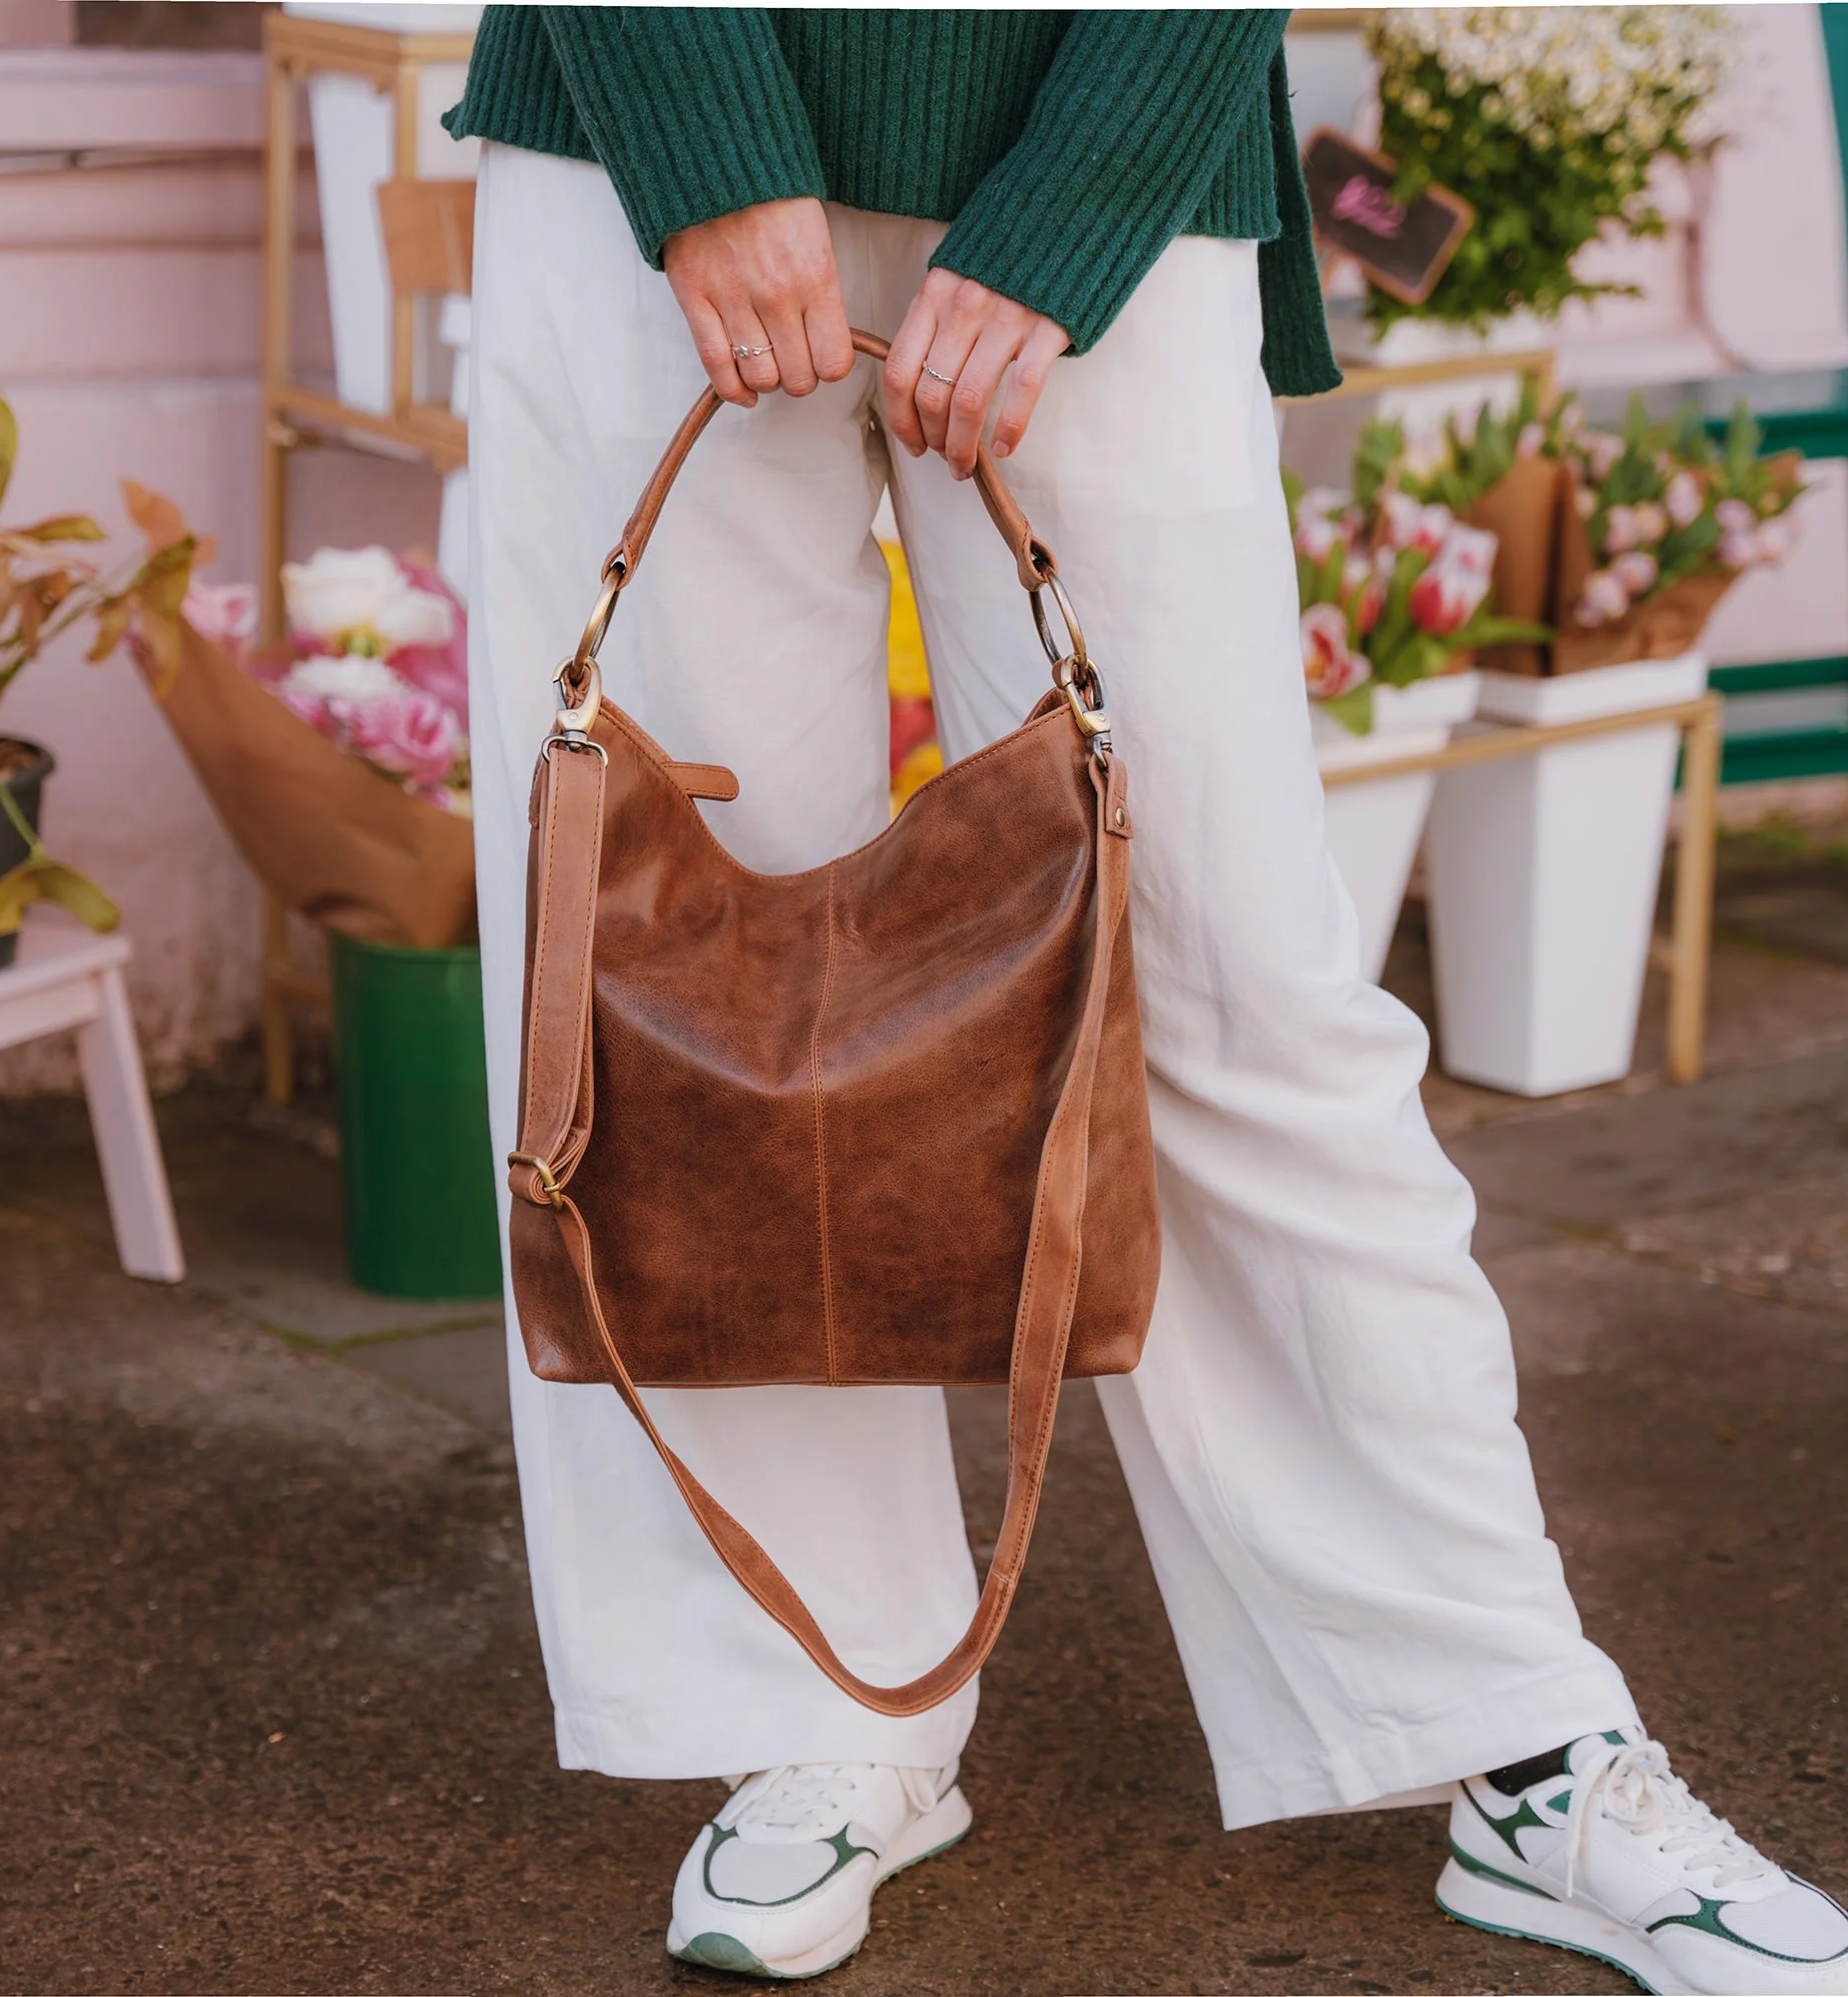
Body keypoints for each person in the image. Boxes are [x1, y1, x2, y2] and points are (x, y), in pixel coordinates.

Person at [446, 10, 1847, 1990]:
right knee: (701, 1006)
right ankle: (818, 1706)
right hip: (641, 124)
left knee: (1232, 969)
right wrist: (704, 140)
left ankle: (1510, 1725)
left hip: (1096, 111)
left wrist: (1080, 201)